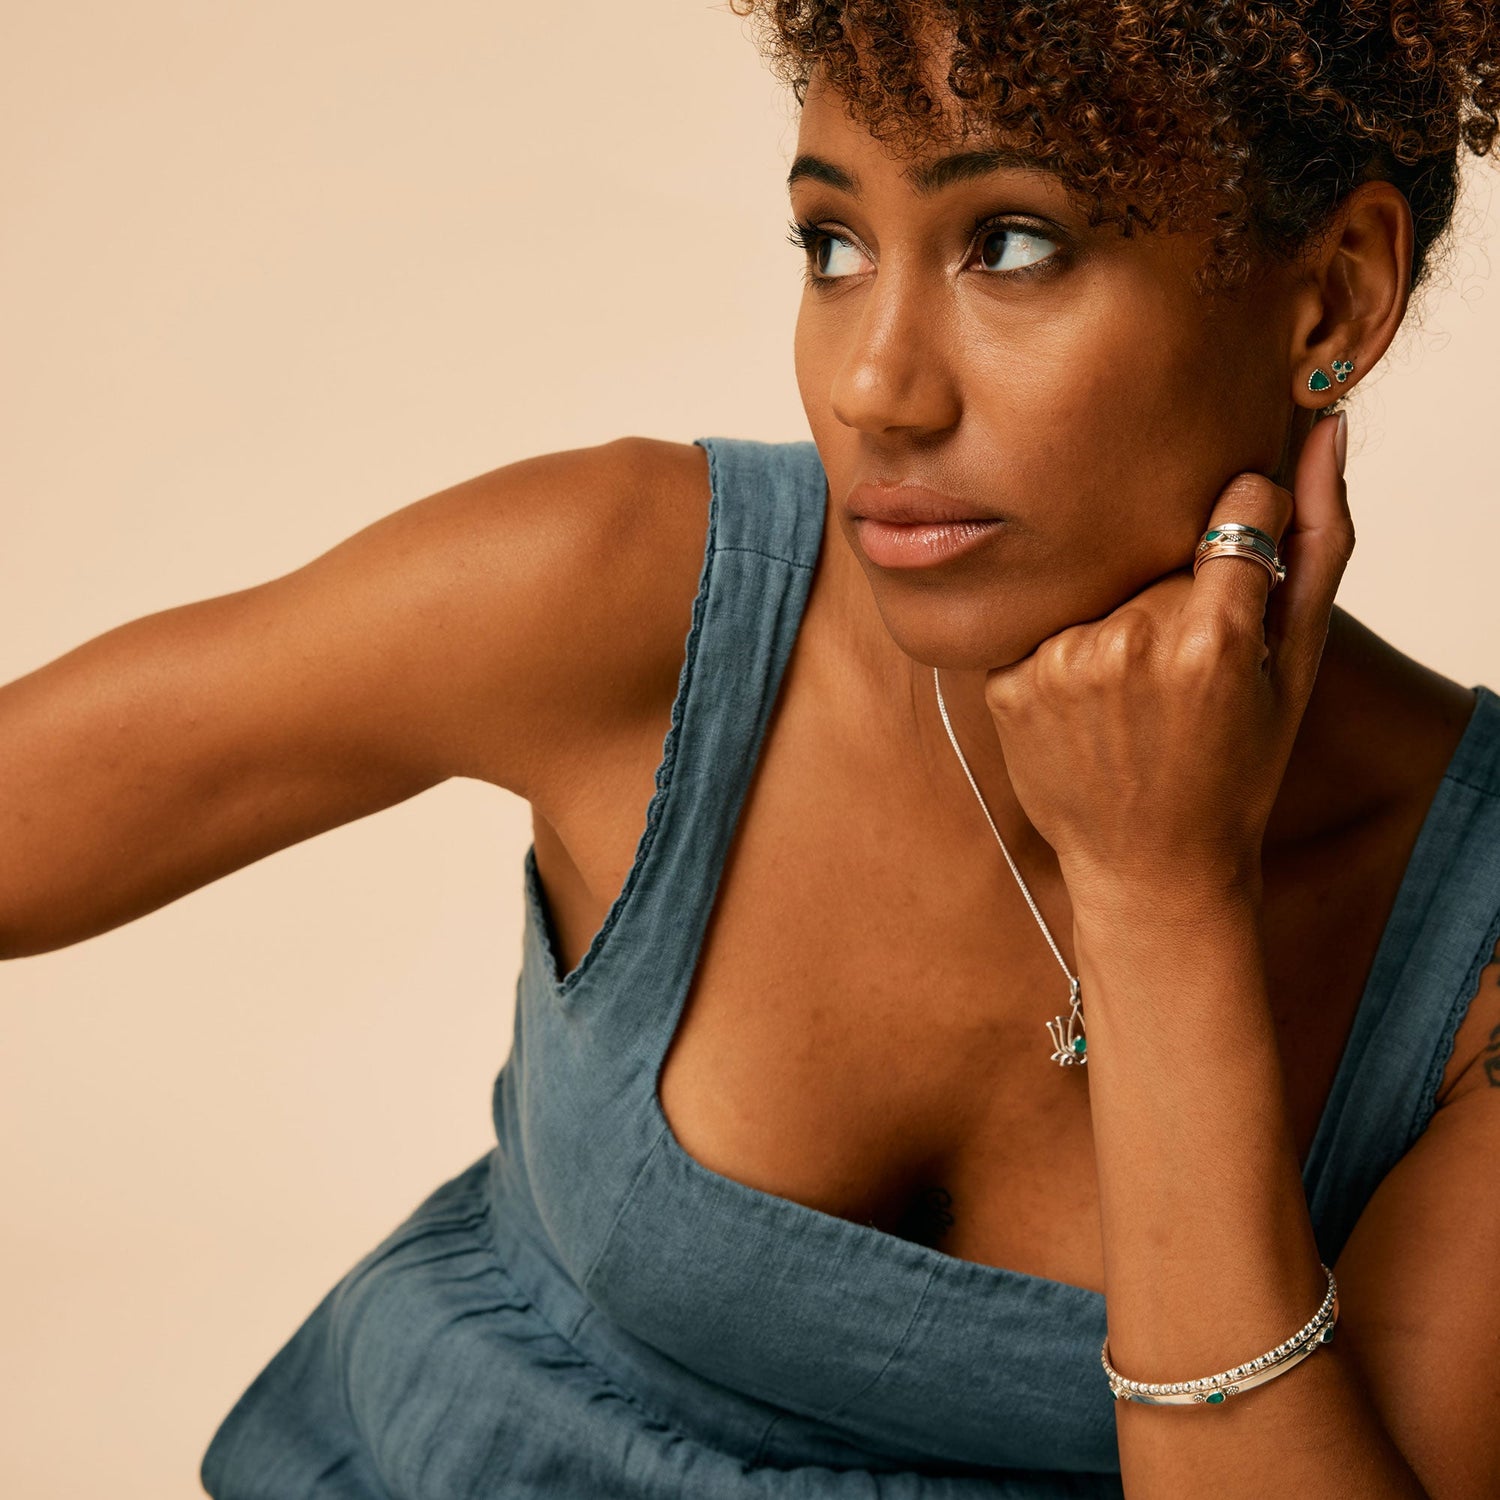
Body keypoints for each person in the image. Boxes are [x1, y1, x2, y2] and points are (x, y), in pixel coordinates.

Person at [4, 3, 1500, 1496]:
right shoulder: (643, 598)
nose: (874, 388)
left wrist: (1159, 898)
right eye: (834, 249)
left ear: (1333, 300)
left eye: (1012, 245)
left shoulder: (1474, 940)